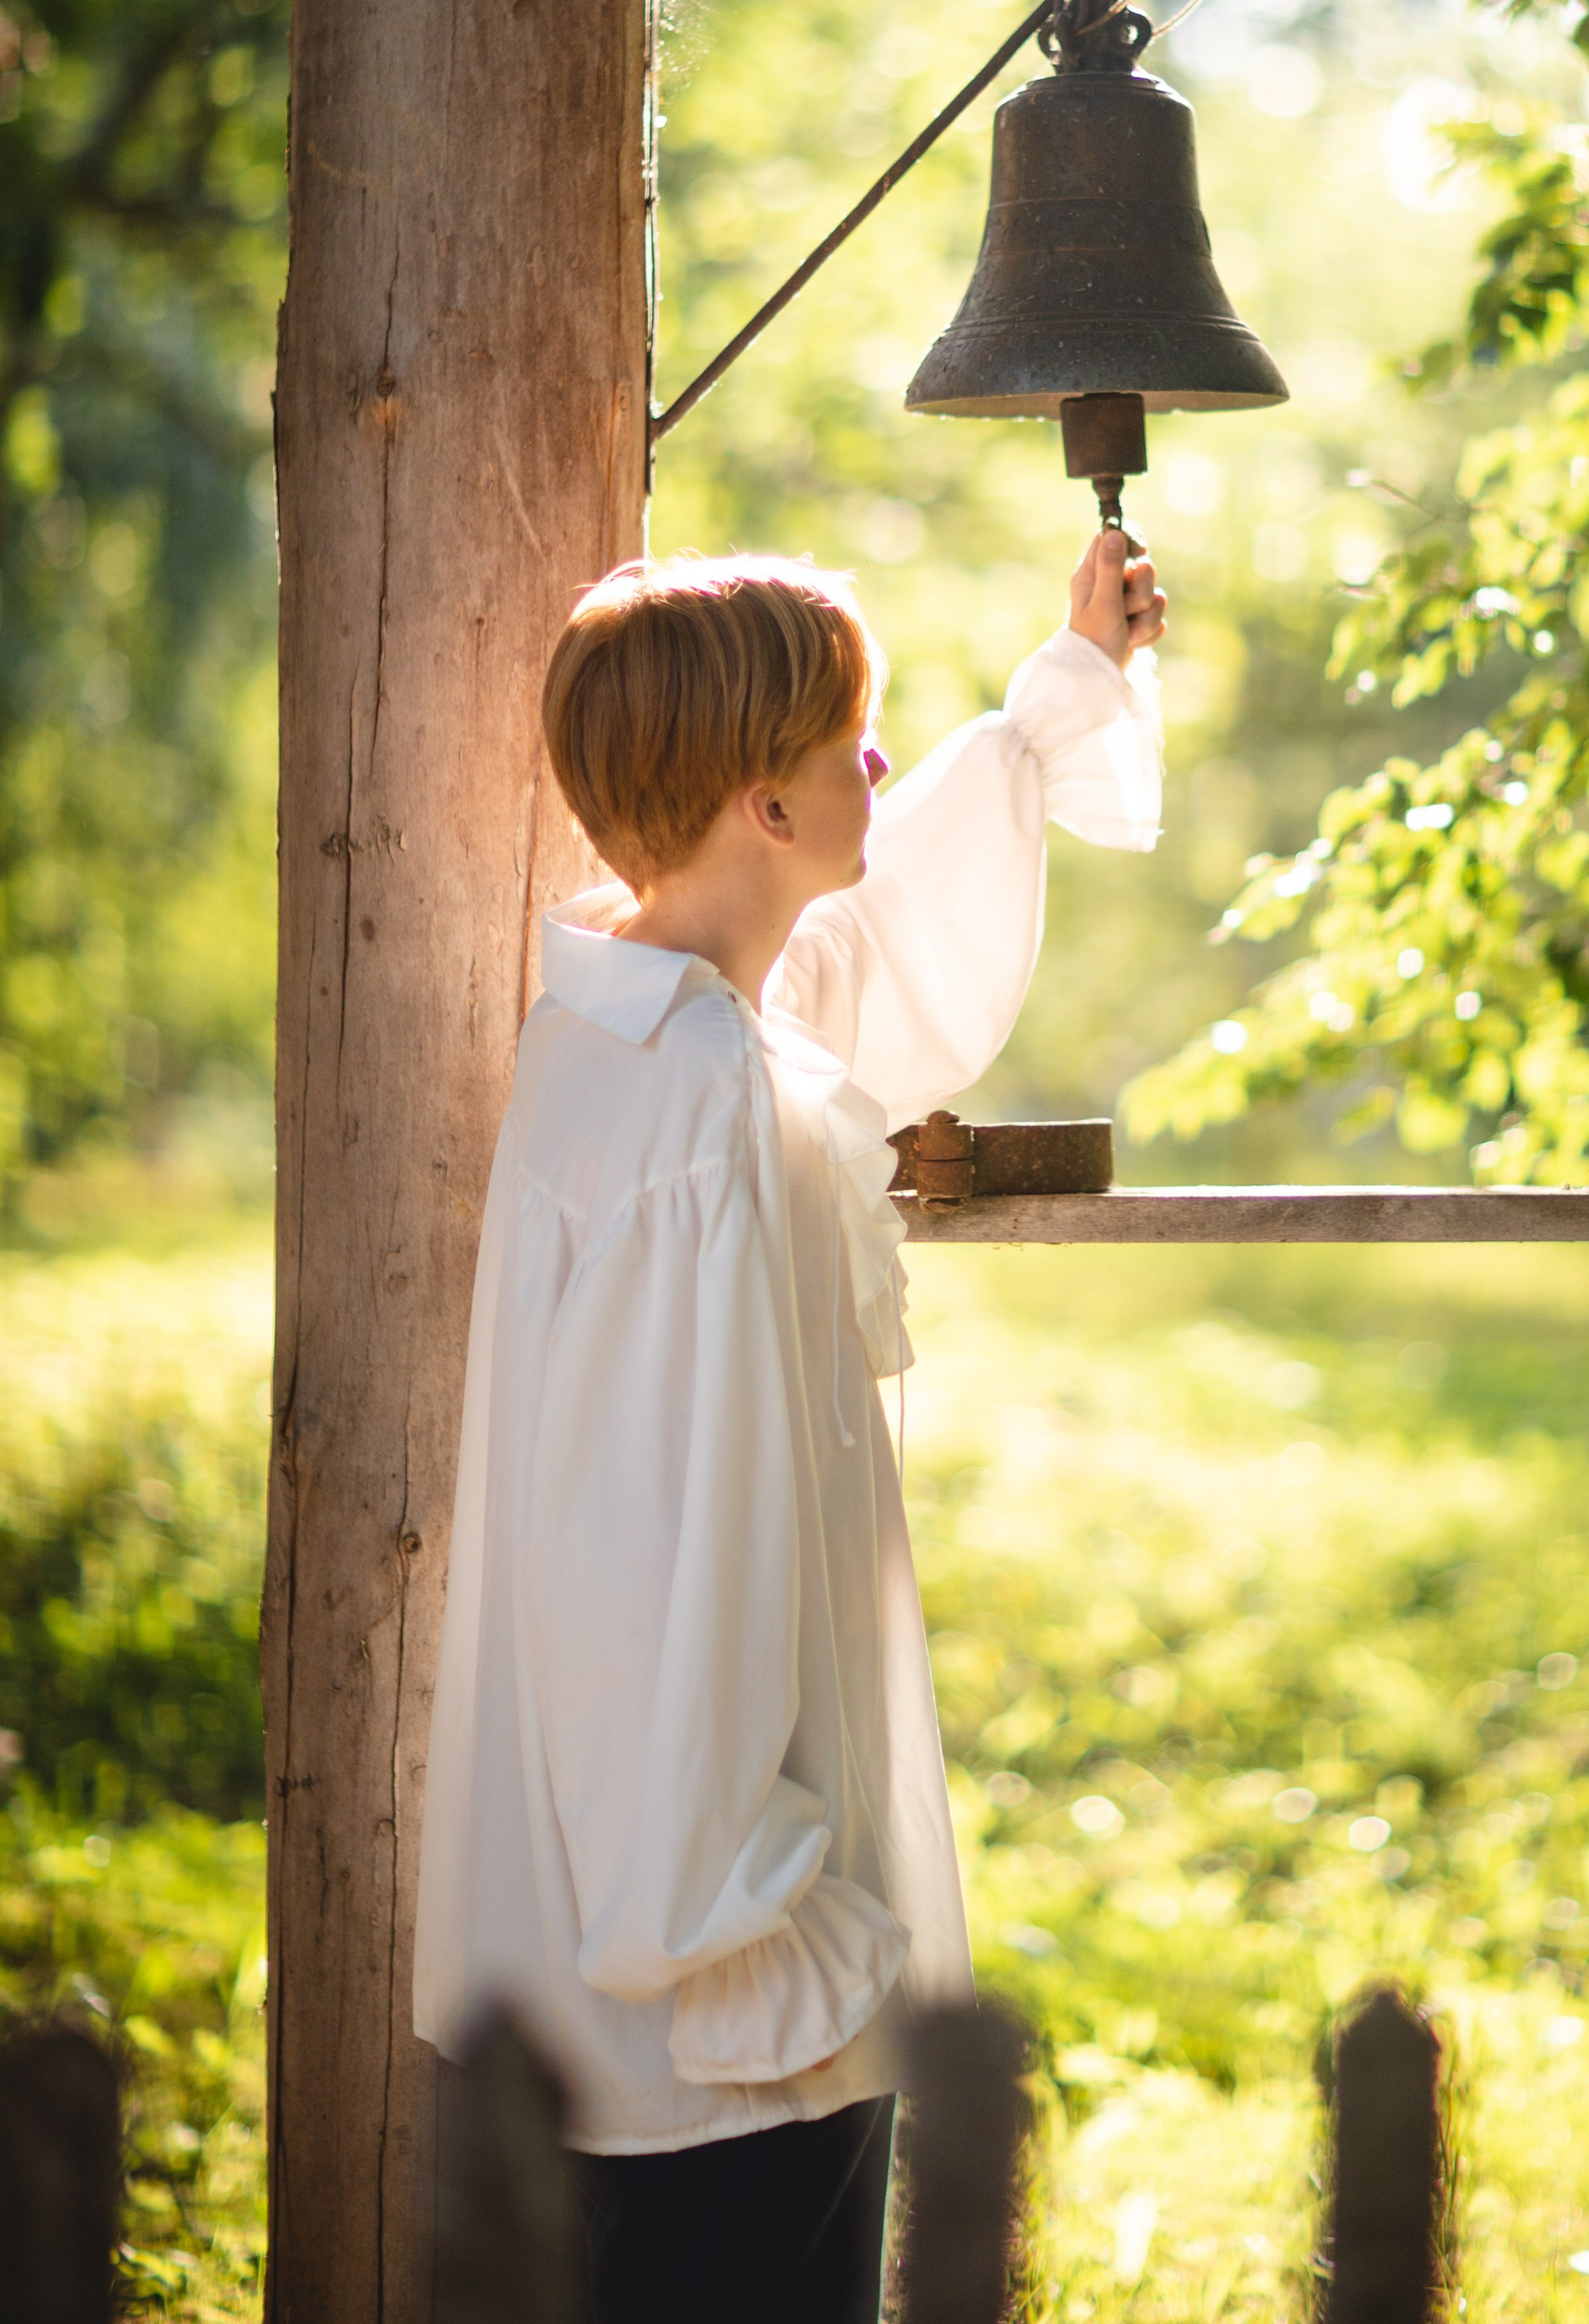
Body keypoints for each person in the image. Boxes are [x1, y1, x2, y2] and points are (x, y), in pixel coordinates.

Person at [411, 526, 1167, 2324]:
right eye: (848, 740)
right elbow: (643, 1569)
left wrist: (1063, 693)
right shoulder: (691, 1120)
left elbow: (864, 955)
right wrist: (766, 1945)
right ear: (762, 802)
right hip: (715, 2026)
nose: (877, 765)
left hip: (656, 2001)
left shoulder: (643, 1033)